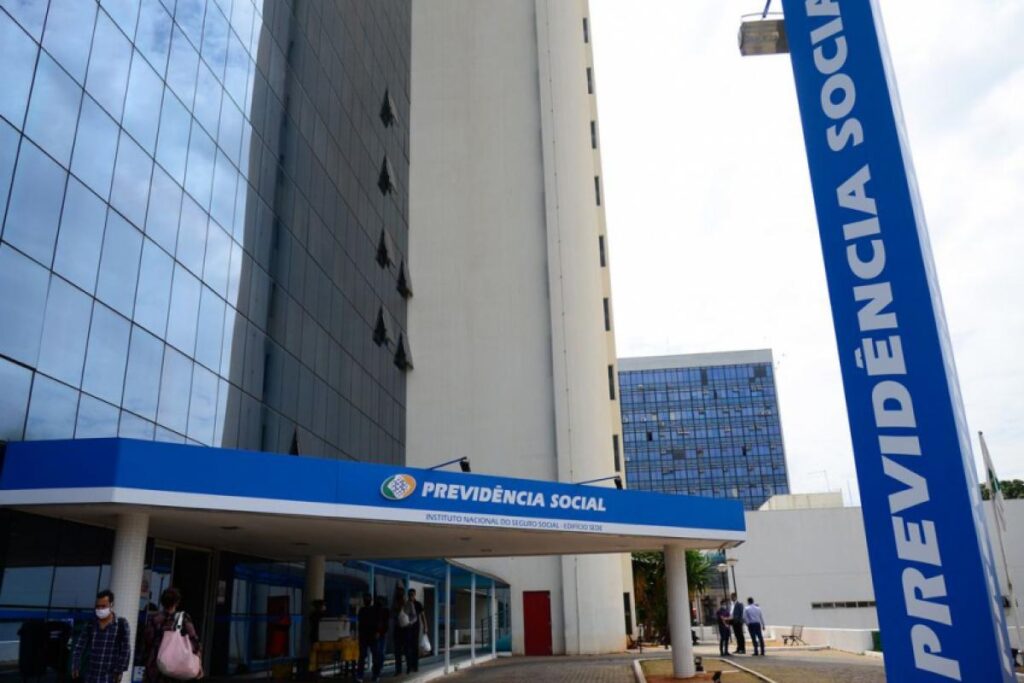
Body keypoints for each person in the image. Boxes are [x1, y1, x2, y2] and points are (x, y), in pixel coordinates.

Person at [72, 590, 131, 683]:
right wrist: (75, 665)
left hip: (109, 677)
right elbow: (79, 646)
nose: (100, 609)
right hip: (90, 676)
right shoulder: (91, 624)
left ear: (111, 605)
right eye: (98, 606)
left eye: (103, 606)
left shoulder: (121, 624)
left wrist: (119, 671)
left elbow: (126, 650)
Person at [142, 588, 201, 682]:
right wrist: (198, 663)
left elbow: (147, 642)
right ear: (177, 602)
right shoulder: (184, 618)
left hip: (155, 665)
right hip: (176, 665)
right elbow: (194, 641)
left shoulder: (154, 619)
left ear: (162, 602)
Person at [356, 594, 384, 682]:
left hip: (369, 636)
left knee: (369, 656)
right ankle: (366, 675)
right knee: (367, 656)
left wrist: (378, 632)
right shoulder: (365, 610)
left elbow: (378, 622)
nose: (366, 600)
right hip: (367, 636)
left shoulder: (364, 610)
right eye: (366, 599)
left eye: (367, 599)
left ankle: (369, 675)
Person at [401, 588, 427, 673]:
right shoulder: (406, 604)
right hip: (407, 628)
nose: (411, 596)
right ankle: (409, 666)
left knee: (415, 647)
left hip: (415, 628)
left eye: (412, 594)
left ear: (415, 595)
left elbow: (423, 616)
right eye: (409, 594)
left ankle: (415, 666)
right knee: (407, 648)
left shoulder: (418, 604)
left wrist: (425, 626)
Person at [391, 585, 407, 675]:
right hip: (399, 628)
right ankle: (399, 669)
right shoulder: (395, 604)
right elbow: (392, 615)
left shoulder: (404, 603)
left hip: (402, 629)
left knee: (403, 650)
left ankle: (403, 669)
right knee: (398, 651)